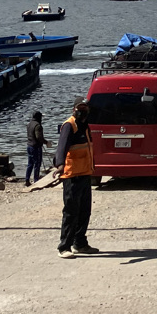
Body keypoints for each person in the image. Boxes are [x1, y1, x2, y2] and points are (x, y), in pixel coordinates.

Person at [54, 100, 97, 258]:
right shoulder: (69, 125)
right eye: (80, 109)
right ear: (74, 109)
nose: (83, 111)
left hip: (85, 174)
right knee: (71, 212)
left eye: (85, 108)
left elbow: (88, 149)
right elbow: (62, 147)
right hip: (72, 176)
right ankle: (64, 247)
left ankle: (80, 244)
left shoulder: (85, 126)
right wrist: (59, 165)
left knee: (85, 211)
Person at [25, 111, 51, 186]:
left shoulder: (29, 124)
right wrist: (46, 142)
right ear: (39, 117)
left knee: (30, 164)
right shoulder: (38, 126)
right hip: (36, 147)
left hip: (29, 146)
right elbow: (38, 137)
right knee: (37, 164)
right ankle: (36, 180)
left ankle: (27, 179)